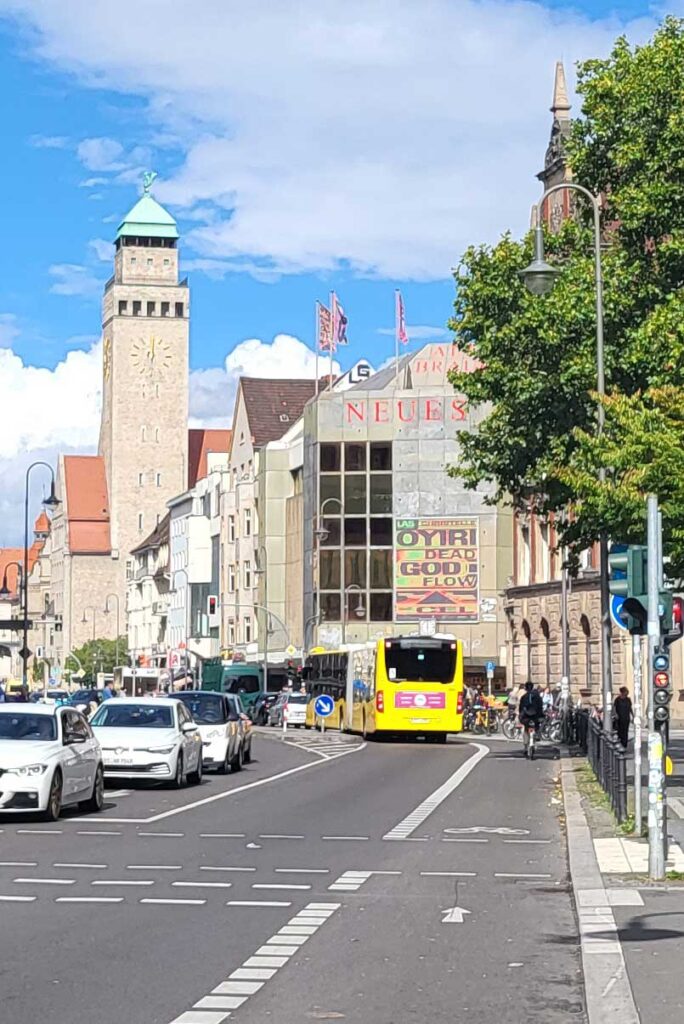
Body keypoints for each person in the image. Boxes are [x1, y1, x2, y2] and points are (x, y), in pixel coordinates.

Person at [518, 681, 544, 758]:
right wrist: (541, 714)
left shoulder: (524, 697)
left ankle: (525, 747)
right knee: (537, 726)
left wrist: (521, 715)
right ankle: (537, 735)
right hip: (535, 716)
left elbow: (521, 708)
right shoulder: (537, 697)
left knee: (526, 729)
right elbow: (540, 707)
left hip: (526, 717)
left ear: (525, 688)